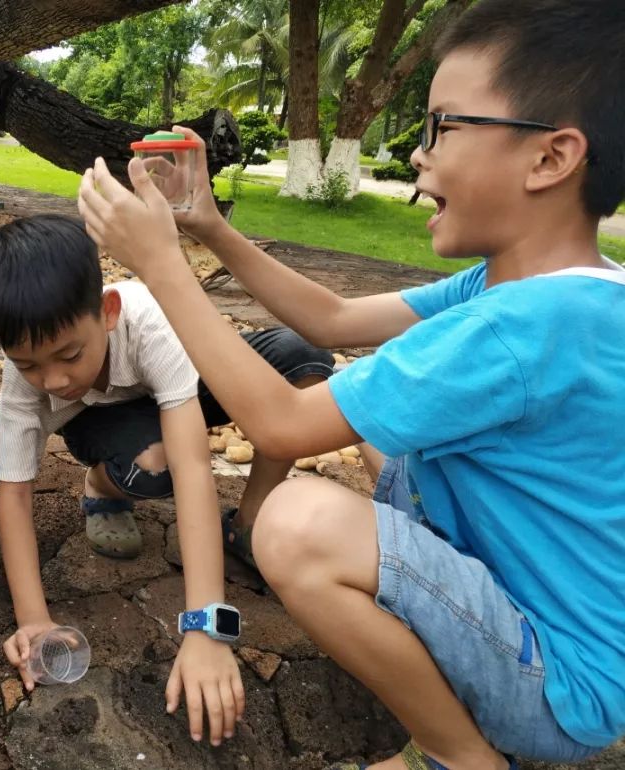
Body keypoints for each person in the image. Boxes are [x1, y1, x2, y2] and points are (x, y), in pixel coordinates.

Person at [77, 0, 625, 767]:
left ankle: (454, 754)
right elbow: (332, 319)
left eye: (444, 127)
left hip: (554, 688)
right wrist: (209, 227)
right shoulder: (554, 287)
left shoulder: (523, 324)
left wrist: (161, 264)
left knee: (295, 526)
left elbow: (284, 427)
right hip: (558, 640)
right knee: (378, 422)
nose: (418, 156)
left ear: (550, 158)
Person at [0, 213, 334, 746]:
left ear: (107, 311)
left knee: (301, 361)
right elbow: (15, 494)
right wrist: (33, 620)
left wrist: (206, 624)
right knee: (153, 466)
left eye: (70, 353)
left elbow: (196, 465)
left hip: (179, 380)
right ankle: (102, 484)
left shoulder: (147, 320)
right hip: (108, 420)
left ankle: (247, 523)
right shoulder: (26, 388)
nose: (54, 379)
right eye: (27, 363)